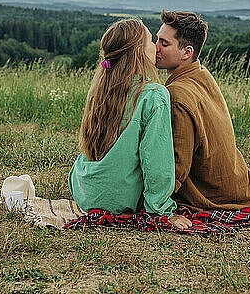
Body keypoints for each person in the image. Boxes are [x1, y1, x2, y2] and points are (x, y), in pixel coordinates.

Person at [69, 19, 192, 229]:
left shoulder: (99, 88)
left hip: (84, 192)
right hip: (118, 201)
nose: (156, 48)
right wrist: (162, 211)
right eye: (151, 41)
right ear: (139, 52)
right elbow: (157, 162)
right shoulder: (154, 95)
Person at [155, 10, 250, 212]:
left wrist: (156, 202)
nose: (154, 48)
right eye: (156, 40)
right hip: (240, 187)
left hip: (214, 197)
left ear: (187, 52)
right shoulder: (200, 73)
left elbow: (178, 165)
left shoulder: (177, 94)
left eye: (163, 44)